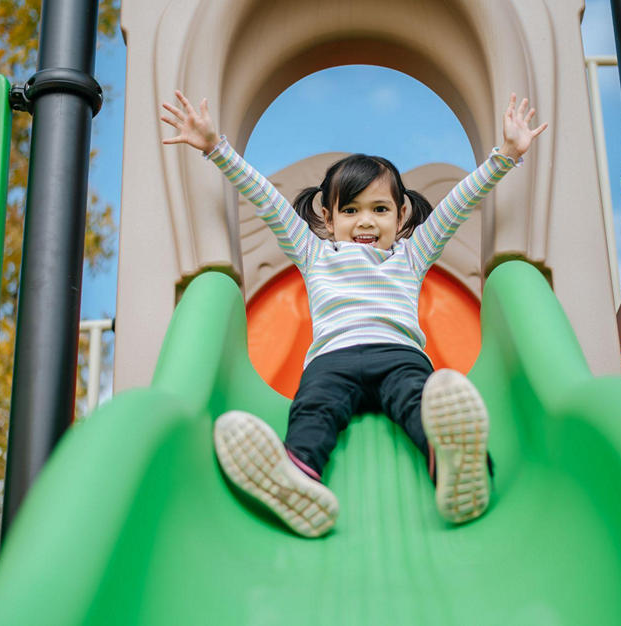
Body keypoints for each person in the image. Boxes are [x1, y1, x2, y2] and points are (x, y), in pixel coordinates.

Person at [160, 90, 546, 538]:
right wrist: (215, 148)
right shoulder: (312, 252)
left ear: (402, 215)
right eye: (351, 209)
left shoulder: (412, 254)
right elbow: (265, 199)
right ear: (327, 215)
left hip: (398, 355)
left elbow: (457, 205)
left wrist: (506, 156)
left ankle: (458, 467)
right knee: (313, 411)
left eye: (380, 209)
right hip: (331, 360)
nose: (366, 221)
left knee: (421, 401)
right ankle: (298, 479)